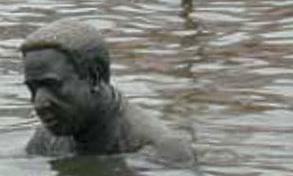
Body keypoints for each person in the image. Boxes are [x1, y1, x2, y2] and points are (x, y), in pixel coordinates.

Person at [21, 19, 195, 164]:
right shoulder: (45, 140)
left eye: (52, 86)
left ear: (94, 78)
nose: (39, 104)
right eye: (32, 89)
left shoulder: (162, 151)